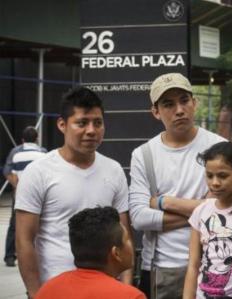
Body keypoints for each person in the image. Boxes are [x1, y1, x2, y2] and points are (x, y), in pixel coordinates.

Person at [15, 87, 131, 298]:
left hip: (106, 290)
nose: (91, 130)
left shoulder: (114, 170)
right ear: (62, 124)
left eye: (98, 122)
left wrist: (126, 288)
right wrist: (35, 294)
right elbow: (24, 240)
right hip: (54, 289)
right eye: (82, 122)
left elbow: (123, 235)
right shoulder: (38, 172)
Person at [128, 73, 226, 299]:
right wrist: (201, 212)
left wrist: (163, 201)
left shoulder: (219, 146)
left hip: (215, 264)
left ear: (195, 103)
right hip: (162, 269)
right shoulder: (144, 155)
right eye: (168, 104)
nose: (179, 110)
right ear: (156, 112)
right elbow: (140, 217)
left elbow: (226, 209)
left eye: (184, 100)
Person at [183, 141, 232, 299]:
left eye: (223, 176)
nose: (215, 182)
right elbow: (193, 265)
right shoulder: (201, 211)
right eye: (209, 176)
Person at [35, 207, 145, 299]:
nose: (131, 243)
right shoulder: (131, 296)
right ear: (116, 253)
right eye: (127, 239)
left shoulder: (47, 290)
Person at [2, 126, 47, 267]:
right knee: (40, 225)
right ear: (37, 138)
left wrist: (18, 186)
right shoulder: (43, 153)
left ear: (22, 140)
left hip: (20, 193)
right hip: (40, 195)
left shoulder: (15, 153)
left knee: (14, 225)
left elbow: (7, 171)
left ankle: (10, 256)